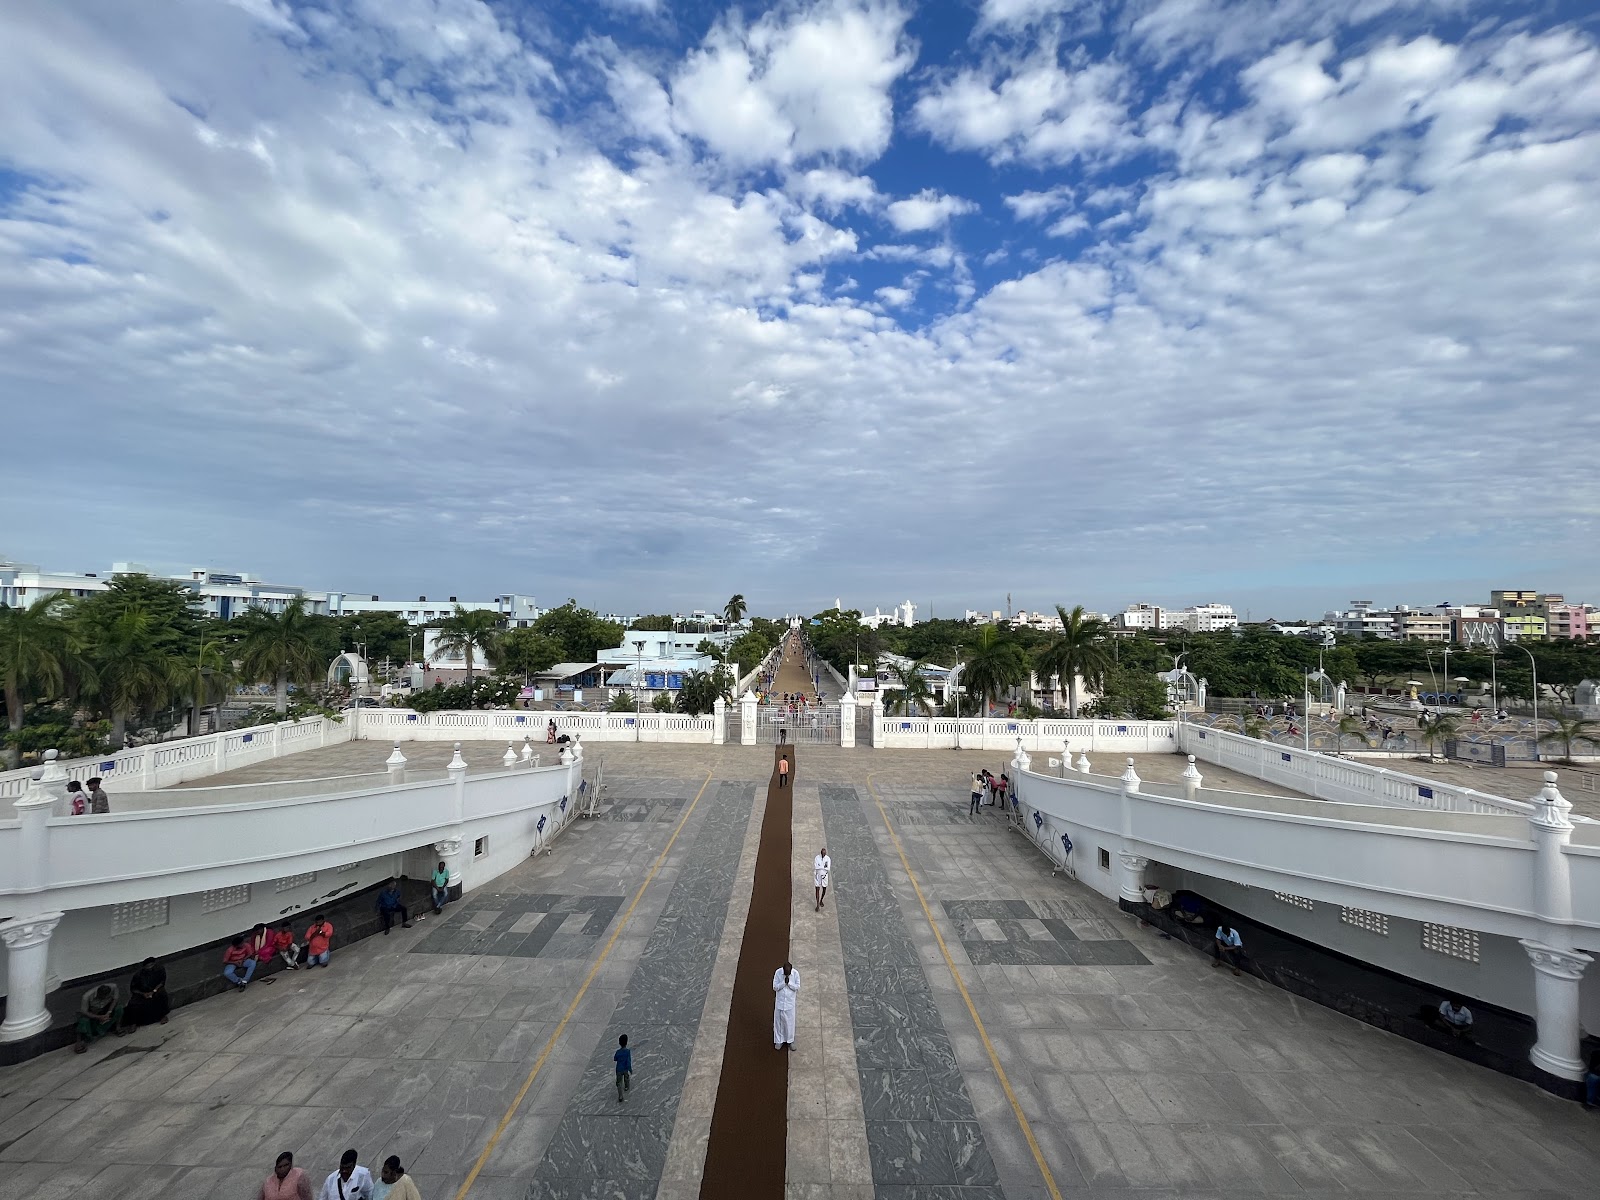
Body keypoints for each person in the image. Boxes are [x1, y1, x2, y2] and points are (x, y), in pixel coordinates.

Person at [75, 982, 127, 1052]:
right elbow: (84, 1012)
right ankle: (79, 1041)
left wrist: (109, 1012)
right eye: (101, 997)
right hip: (93, 1012)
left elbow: (115, 999)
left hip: (106, 1008)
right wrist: (98, 1017)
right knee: (83, 1021)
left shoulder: (114, 987)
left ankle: (117, 1028)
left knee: (119, 1008)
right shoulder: (86, 997)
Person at [126, 957, 170, 1026]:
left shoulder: (160, 969)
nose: (149, 967)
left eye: (151, 965)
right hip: (142, 992)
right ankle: (133, 1023)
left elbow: (162, 982)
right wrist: (143, 994)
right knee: (133, 1003)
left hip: (155, 990)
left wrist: (154, 991)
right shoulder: (138, 975)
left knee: (161, 994)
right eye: (148, 966)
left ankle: (162, 1016)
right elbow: (133, 989)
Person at [773, 961, 800, 1049]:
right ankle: (779, 1041)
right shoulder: (778, 972)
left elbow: (797, 987)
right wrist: (783, 983)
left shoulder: (795, 974)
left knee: (790, 1023)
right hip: (780, 1003)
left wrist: (789, 983)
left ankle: (790, 1041)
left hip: (789, 1004)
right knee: (778, 1023)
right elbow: (775, 987)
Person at [614, 1033, 632, 1103]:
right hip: (625, 1068)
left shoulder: (618, 1052)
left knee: (619, 1082)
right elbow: (628, 1061)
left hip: (619, 1069)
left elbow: (615, 1058)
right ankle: (626, 1086)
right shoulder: (628, 1051)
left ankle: (620, 1096)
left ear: (619, 1043)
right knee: (626, 1077)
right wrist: (630, 1068)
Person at [813, 846, 832, 912]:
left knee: (824, 889)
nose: (823, 855)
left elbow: (828, 868)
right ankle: (817, 904)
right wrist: (823, 867)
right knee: (817, 889)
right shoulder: (817, 858)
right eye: (822, 853)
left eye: (824, 853)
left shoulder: (828, 859)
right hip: (818, 876)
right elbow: (816, 867)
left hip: (824, 876)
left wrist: (820, 866)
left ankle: (821, 900)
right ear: (821, 853)